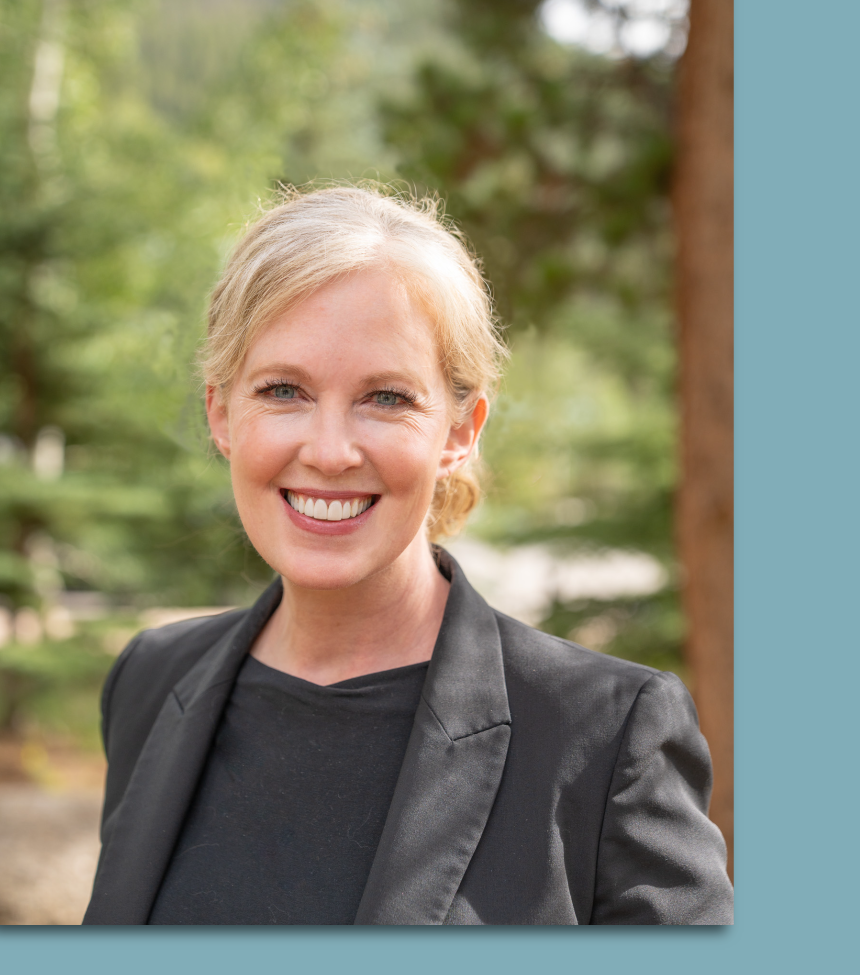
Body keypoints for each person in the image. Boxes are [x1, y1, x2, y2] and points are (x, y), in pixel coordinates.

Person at [82, 186, 733, 925]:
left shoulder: (605, 735)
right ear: (222, 413)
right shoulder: (150, 681)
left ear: (461, 430)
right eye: (284, 390)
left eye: (387, 398)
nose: (329, 452)